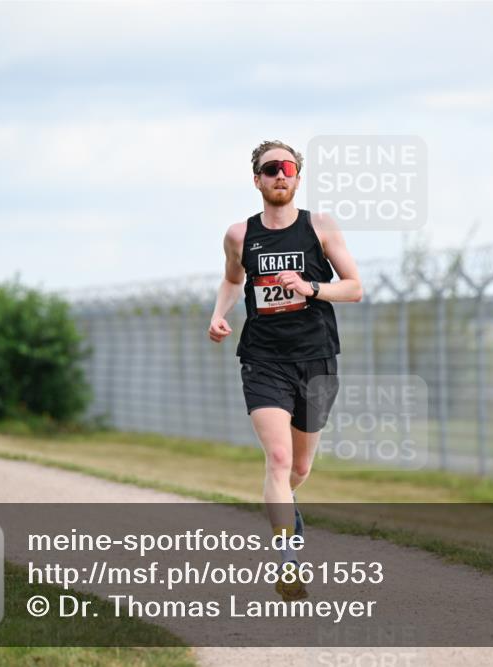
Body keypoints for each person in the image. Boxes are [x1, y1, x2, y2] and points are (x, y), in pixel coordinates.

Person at [207, 140, 363, 601]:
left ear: (297, 177)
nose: (280, 174)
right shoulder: (239, 235)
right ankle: (288, 560)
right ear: (256, 179)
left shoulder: (319, 227)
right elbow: (234, 280)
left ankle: (286, 506)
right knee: (276, 460)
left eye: (288, 167)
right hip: (263, 358)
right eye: (270, 168)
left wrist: (311, 287)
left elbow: (354, 287)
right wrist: (220, 313)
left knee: (299, 466)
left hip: (315, 359)